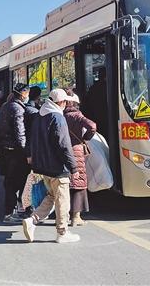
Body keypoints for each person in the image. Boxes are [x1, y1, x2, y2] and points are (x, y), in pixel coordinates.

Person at [22, 88, 80, 244]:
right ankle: (62, 232)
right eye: (65, 102)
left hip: (43, 166)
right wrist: (73, 167)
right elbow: (64, 145)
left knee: (52, 196)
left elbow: (31, 139)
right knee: (62, 200)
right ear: (61, 102)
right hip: (58, 167)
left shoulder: (39, 116)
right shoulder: (57, 117)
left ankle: (32, 220)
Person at [0, 83, 37, 223]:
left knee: (10, 181)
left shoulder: (5, 106)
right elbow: (20, 132)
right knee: (17, 181)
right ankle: (11, 212)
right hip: (16, 152)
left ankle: (13, 210)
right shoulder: (18, 109)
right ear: (23, 94)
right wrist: (26, 152)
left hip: (6, 149)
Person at [62, 89, 96, 227]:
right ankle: (76, 217)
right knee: (78, 183)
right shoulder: (77, 115)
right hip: (76, 150)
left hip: (61, 151)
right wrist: (85, 138)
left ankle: (63, 216)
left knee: (63, 183)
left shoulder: (59, 115)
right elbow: (92, 126)